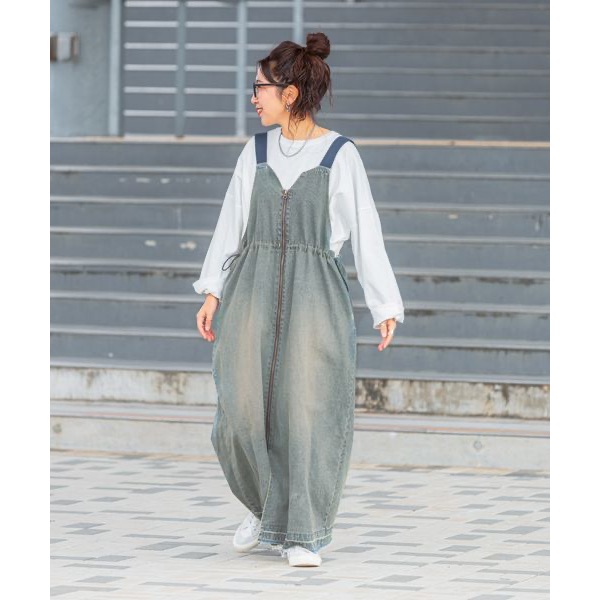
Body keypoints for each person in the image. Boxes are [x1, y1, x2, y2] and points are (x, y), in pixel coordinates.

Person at [194, 32, 405, 568]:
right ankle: (262, 507)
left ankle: (303, 534)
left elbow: (367, 230)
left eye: (260, 88)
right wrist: (213, 290)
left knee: (308, 410)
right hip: (251, 289)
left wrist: (385, 305)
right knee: (238, 410)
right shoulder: (256, 151)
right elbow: (230, 223)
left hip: (315, 295)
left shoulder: (341, 154)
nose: (253, 97)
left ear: (289, 94)